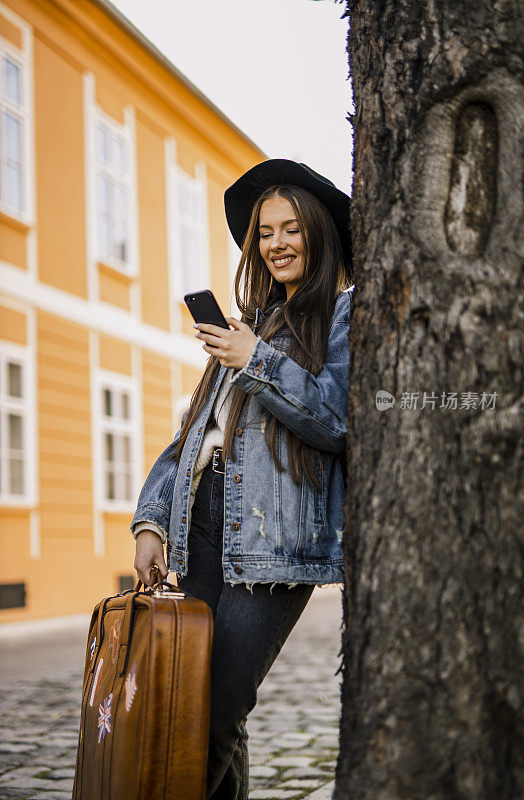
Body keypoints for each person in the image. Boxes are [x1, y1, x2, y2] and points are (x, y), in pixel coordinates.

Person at [131, 158, 353, 799]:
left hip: (275, 540)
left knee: (210, 717)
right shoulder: (253, 319)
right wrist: (151, 520)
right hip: (204, 520)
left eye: (292, 229)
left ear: (318, 233)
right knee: (196, 703)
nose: (277, 243)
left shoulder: (342, 314)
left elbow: (336, 420)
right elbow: (194, 434)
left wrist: (256, 359)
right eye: (265, 232)